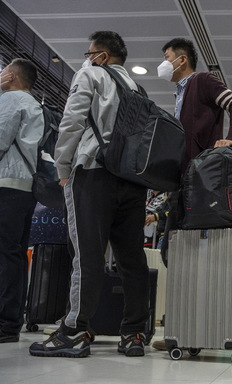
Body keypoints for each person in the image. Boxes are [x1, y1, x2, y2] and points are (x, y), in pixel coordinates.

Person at [29, 31, 150, 358]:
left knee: (87, 254)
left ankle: (75, 330)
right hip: (133, 181)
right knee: (132, 259)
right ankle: (135, 332)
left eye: (90, 52)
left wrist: (63, 168)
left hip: (95, 173)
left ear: (103, 56)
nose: (87, 57)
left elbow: (72, 121)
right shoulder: (139, 89)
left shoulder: (91, 74)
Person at [0, 59, 44, 344]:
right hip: (26, 187)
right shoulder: (35, 105)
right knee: (13, 256)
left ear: (12, 76)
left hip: (6, 183)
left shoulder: (11, 99)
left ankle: (5, 323)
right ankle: (10, 321)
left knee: (6, 256)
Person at [158, 38, 232, 168]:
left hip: (202, 166)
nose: (164, 63)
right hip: (187, 168)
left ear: (182, 60)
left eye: (167, 58)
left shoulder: (202, 80)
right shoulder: (180, 93)